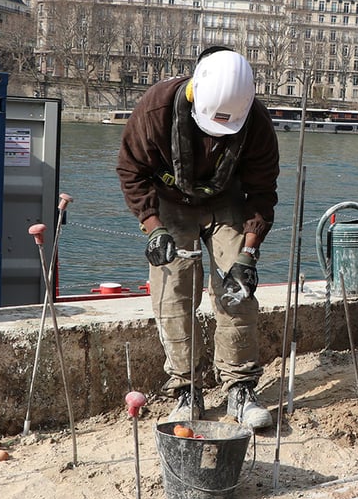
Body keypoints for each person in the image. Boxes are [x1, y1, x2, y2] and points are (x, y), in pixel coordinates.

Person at [117, 47, 280, 427]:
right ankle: (186, 389)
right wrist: (153, 227)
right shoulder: (155, 110)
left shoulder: (254, 121)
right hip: (170, 202)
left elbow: (262, 190)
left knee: (236, 290)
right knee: (172, 293)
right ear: (193, 95)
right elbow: (131, 171)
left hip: (227, 200)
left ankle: (240, 387)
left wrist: (248, 253)